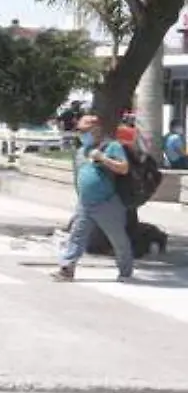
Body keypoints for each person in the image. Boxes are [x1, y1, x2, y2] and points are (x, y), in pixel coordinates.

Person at [52, 114, 133, 282]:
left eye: (85, 131)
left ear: (96, 130)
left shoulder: (112, 147)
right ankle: (67, 268)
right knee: (76, 236)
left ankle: (125, 271)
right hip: (85, 204)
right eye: (80, 131)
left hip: (106, 203)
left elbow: (124, 168)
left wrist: (103, 159)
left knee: (118, 239)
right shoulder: (81, 151)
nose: (82, 135)